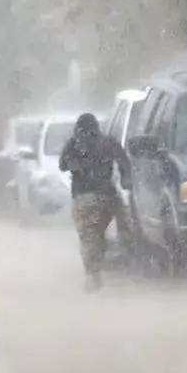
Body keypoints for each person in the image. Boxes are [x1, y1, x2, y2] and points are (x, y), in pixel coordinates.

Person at [59, 112, 131, 291]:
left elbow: (62, 165)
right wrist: (125, 179)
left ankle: (92, 274)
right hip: (107, 197)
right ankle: (126, 249)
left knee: (89, 236)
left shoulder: (74, 144)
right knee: (101, 232)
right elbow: (124, 161)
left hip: (83, 198)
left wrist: (78, 166)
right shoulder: (108, 142)